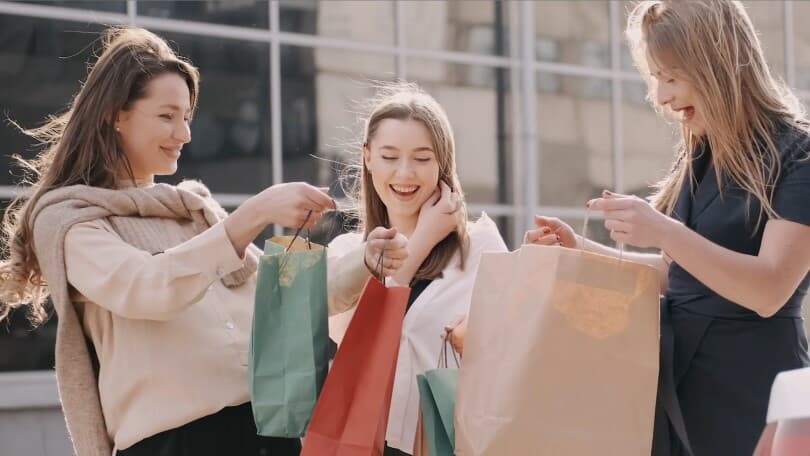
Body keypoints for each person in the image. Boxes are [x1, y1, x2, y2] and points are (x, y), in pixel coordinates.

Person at [0, 27, 335, 456]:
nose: (185, 133)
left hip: (266, 429)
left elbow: (279, 298)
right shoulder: (70, 222)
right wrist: (255, 213)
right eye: (167, 116)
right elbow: (149, 288)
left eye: (187, 117)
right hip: (177, 443)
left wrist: (375, 257)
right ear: (114, 115)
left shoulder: (192, 207)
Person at [528, 1, 810, 455]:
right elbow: (680, 276)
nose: (660, 97)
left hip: (754, 392)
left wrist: (662, 230)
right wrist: (578, 248)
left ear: (717, 66)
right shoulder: (699, 154)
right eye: (656, 79)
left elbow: (770, 289)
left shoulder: (798, 156)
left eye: (671, 77)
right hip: (676, 388)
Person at [326, 82, 513, 455]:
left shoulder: (480, 248)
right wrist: (423, 238)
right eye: (389, 156)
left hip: (455, 442)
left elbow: (513, 354)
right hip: (369, 443)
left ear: (443, 163)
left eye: (423, 158)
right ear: (367, 157)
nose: (405, 173)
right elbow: (361, 342)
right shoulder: (348, 254)